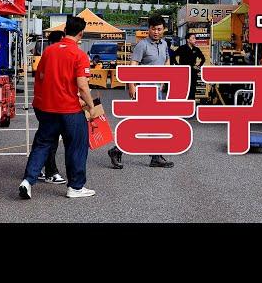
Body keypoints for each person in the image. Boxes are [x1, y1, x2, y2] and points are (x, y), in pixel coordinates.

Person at [19, 16, 101, 199]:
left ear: (65, 31)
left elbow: (39, 77)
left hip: (47, 108)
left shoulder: (49, 51)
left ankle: (27, 181)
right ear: (81, 33)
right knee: (76, 146)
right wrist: (90, 106)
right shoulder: (80, 55)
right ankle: (76, 187)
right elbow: (82, 85)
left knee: (42, 144)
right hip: (70, 109)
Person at [107, 14, 174, 169]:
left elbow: (166, 61)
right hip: (143, 89)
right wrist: (131, 85)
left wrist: (164, 81)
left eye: (159, 29)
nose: (156, 32)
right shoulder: (142, 45)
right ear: (148, 29)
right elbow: (133, 65)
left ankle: (154, 156)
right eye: (153, 29)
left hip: (158, 90)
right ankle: (117, 150)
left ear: (163, 30)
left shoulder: (164, 44)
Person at [37, 30, 67, 184]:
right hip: (47, 103)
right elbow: (43, 76)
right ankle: (50, 171)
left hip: (47, 103)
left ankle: (37, 169)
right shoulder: (50, 55)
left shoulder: (51, 54)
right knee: (51, 138)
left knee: (44, 137)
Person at [173, 32, 206, 100]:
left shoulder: (196, 49)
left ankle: (192, 107)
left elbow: (203, 59)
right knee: (183, 89)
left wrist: (199, 66)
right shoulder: (182, 48)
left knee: (192, 89)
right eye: (193, 38)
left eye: (195, 38)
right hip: (183, 72)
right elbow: (173, 56)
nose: (195, 40)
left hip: (193, 72)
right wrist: (178, 66)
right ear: (188, 40)